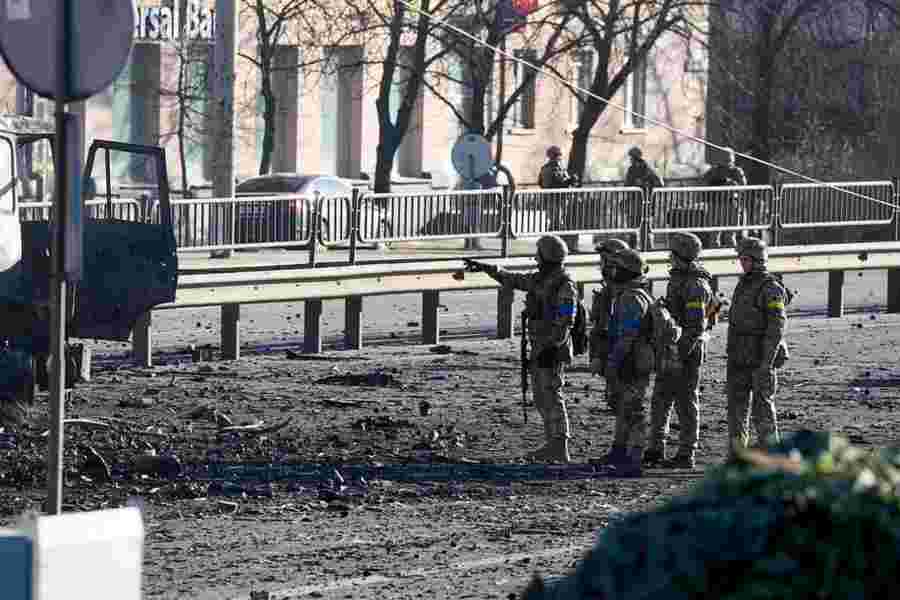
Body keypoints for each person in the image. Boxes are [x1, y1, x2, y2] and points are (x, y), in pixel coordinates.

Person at [464, 234, 578, 463]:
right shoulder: (540, 280)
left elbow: (567, 321)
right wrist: (487, 268)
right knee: (541, 397)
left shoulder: (564, 285)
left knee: (552, 396)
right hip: (539, 347)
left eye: (539, 256)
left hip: (552, 350)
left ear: (547, 257)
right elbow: (513, 279)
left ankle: (560, 446)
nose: (536, 260)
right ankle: (551, 444)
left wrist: (551, 347)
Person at [645, 232, 714, 469]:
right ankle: (655, 448)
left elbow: (695, 327)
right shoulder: (679, 279)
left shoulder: (695, 285)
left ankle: (686, 452)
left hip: (687, 352)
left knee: (685, 402)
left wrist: (679, 354)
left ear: (681, 255)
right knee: (661, 399)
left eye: (672, 254)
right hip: (673, 349)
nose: (669, 258)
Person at [726, 237, 788, 457]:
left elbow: (776, 327)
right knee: (736, 410)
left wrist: (766, 363)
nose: (741, 263)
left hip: (760, 358)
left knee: (763, 411)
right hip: (738, 357)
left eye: (744, 259)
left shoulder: (771, 287)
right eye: (740, 259)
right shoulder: (743, 284)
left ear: (757, 260)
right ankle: (737, 456)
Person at [603, 248, 654, 477]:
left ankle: (634, 458)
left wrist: (613, 362)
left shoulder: (632, 298)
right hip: (631, 358)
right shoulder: (631, 293)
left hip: (632, 360)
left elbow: (628, 336)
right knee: (624, 407)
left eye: (617, 268)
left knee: (634, 410)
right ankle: (620, 451)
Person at [588, 238, 631, 415]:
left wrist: (601, 357)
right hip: (615, 353)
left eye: (603, 260)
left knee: (623, 405)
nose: (601, 265)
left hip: (620, 354)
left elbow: (611, 329)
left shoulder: (619, 291)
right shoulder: (611, 288)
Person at [702, 147, 748, 248]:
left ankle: (732, 258)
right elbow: (704, 181)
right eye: (724, 157)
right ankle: (713, 256)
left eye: (728, 158)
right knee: (714, 236)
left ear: (733, 158)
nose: (726, 160)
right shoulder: (714, 170)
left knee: (730, 236)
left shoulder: (737, 171)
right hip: (715, 204)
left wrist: (733, 184)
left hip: (731, 204)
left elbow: (744, 186)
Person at [624, 147, 663, 249]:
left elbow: (659, 183)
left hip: (643, 202)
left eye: (631, 157)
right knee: (638, 226)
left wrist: (645, 183)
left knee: (641, 226)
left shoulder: (646, 168)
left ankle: (643, 248)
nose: (630, 160)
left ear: (634, 157)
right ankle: (638, 248)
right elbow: (627, 185)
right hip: (639, 202)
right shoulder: (634, 169)